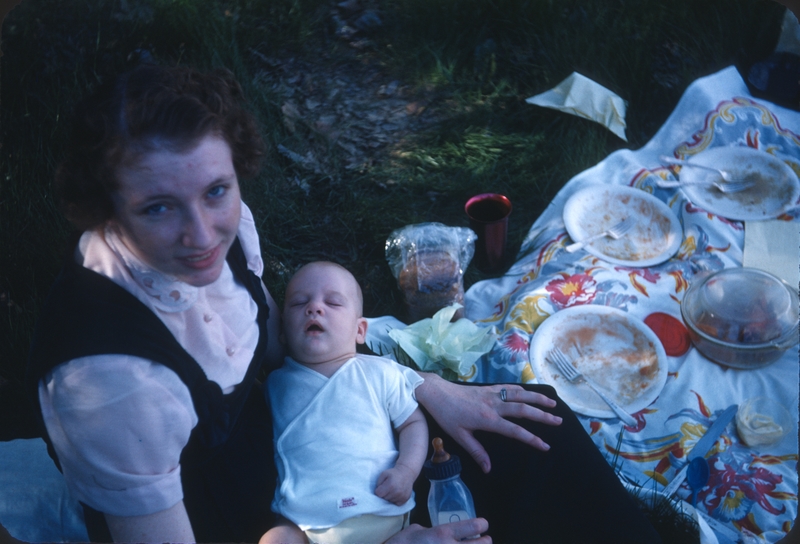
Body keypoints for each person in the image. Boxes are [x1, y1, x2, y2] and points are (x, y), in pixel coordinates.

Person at [26, 63, 661, 543]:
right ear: (108, 208)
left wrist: (416, 388)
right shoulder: (110, 382)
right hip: (248, 517)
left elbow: (270, 351)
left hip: (305, 435)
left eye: (216, 190)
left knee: (535, 423)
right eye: (158, 207)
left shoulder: (228, 229)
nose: (201, 234)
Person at [267, 261, 428, 543]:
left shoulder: (379, 373)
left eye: (333, 302)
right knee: (276, 539)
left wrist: (406, 471)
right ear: (281, 331)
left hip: (380, 510)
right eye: (298, 303)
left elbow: (412, 422)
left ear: (360, 330)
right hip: (305, 522)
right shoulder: (275, 382)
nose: (314, 308)